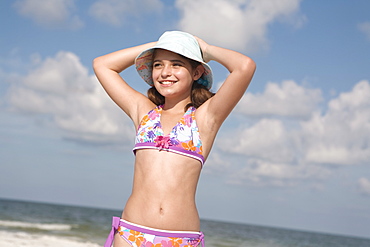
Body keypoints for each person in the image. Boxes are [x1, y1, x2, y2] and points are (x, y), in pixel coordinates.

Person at [93, 31, 256, 247]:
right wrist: (160, 44)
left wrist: (205, 49)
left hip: (179, 240)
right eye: (158, 64)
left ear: (197, 72)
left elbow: (244, 66)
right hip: (131, 234)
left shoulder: (205, 119)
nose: (165, 73)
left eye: (176, 64)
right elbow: (102, 65)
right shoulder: (144, 112)